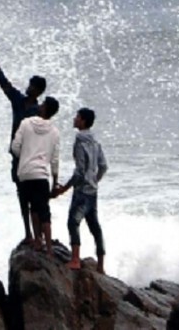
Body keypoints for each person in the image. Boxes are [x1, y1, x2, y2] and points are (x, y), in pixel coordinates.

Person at [0, 43, 47, 244]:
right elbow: (3, 82)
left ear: (38, 90)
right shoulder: (19, 101)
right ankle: (28, 233)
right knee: (21, 194)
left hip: (31, 157)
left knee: (33, 198)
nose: (27, 87)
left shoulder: (39, 112)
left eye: (31, 85)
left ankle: (37, 235)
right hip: (17, 155)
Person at [52, 108, 108, 273]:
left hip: (82, 191)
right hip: (93, 190)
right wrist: (95, 180)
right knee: (95, 226)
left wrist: (64, 188)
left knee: (73, 222)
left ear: (83, 121)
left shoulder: (80, 140)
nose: (74, 119)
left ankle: (75, 260)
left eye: (77, 117)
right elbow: (104, 166)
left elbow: (79, 171)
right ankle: (101, 265)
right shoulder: (95, 141)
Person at [11, 97, 60, 256]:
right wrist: (55, 182)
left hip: (25, 173)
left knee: (32, 208)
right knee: (44, 211)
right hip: (41, 175)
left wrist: (24, 156)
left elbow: (14, 147)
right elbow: (54, 159)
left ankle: (37, 241)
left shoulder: (26, 123)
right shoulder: (54, 131)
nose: (39, 105)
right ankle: (49, 249)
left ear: (45, 109)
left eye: (42, 104)